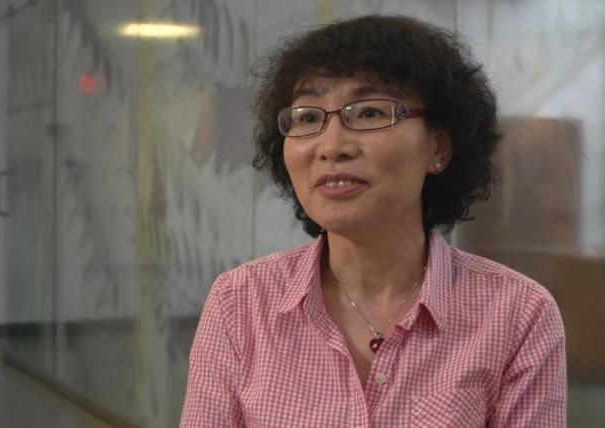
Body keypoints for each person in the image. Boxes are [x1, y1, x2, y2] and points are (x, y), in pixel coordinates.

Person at [180, 15, 566, 427]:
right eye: (308, 117)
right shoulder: (241, 304)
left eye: (368, 112)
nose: (331, 146)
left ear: (438, 145)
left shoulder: (518, 315)